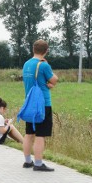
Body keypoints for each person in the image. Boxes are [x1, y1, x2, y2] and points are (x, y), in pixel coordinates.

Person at [22, 40, 59, 171]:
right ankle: (38, 163)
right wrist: (47, 65)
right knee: (40, 135)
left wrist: (45, 83)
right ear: (46, 50)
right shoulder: (43, 65)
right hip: (43, 104)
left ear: (33, 49)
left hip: (29, 102)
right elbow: (54, 79)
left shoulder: (26, 64)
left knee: (29, 133)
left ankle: (27, 161)